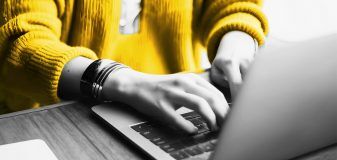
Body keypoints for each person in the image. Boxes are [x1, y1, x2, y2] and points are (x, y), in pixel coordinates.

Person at [0, 0, 268, 133]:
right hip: (57, 122)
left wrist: (238, 38)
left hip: (179, 110)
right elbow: (19, 41)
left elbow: (234, 4)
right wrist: (122, 81)